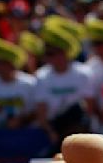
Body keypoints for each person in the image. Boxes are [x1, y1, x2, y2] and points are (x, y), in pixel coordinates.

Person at [35, 19, 93, 152]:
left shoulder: (83, 73)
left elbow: (89, 107)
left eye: (56, 52)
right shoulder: (41, 76)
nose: (53, 57)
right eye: (49, 53)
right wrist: (52, 133)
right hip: (54, 132)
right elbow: (41, 112)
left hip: (80, 131)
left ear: (66, 52)